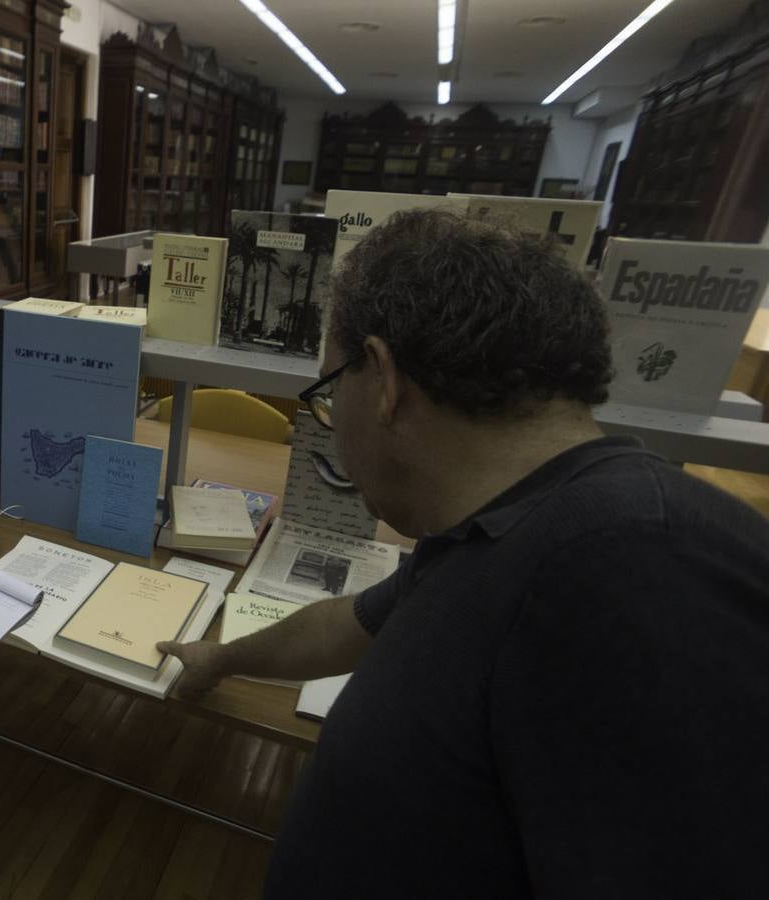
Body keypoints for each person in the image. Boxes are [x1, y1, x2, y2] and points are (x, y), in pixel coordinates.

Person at [160, 209, 769, 898]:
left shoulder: (634, 575)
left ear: (383, 381)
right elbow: (352, 623)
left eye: (329, 395)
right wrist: (224, 658)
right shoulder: (503, 527)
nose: (331, 426)